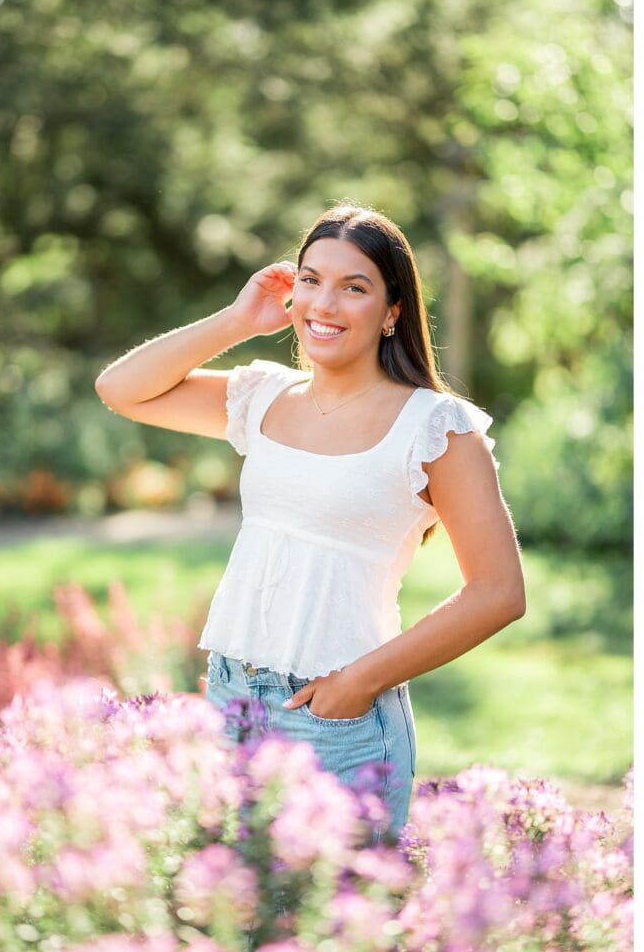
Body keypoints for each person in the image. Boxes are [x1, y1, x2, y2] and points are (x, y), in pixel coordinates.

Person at [95, 203, 526, 842]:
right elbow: (121, 388)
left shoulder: (436, 426)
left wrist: (359, 682)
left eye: (354, 287)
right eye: (311, 280)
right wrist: (237, 320)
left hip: (336, 719)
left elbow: (499, 592)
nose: (325, 303)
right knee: (229, 902)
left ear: (393, 311)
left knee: (338, 907)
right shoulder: (263, 395)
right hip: (232, 697)